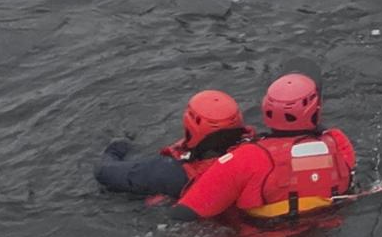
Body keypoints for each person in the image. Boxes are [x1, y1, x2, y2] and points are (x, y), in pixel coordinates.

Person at [169, 73, 356, 223]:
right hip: (326, 234)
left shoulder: (246, 158)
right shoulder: (338, 143)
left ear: (266, 108)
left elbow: (185, 213)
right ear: (315, 110)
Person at [94, 89, 254, 197]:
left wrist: (118, 145)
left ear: (190, 126)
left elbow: (103, 171)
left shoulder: (171, 172)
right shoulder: (258, 150)